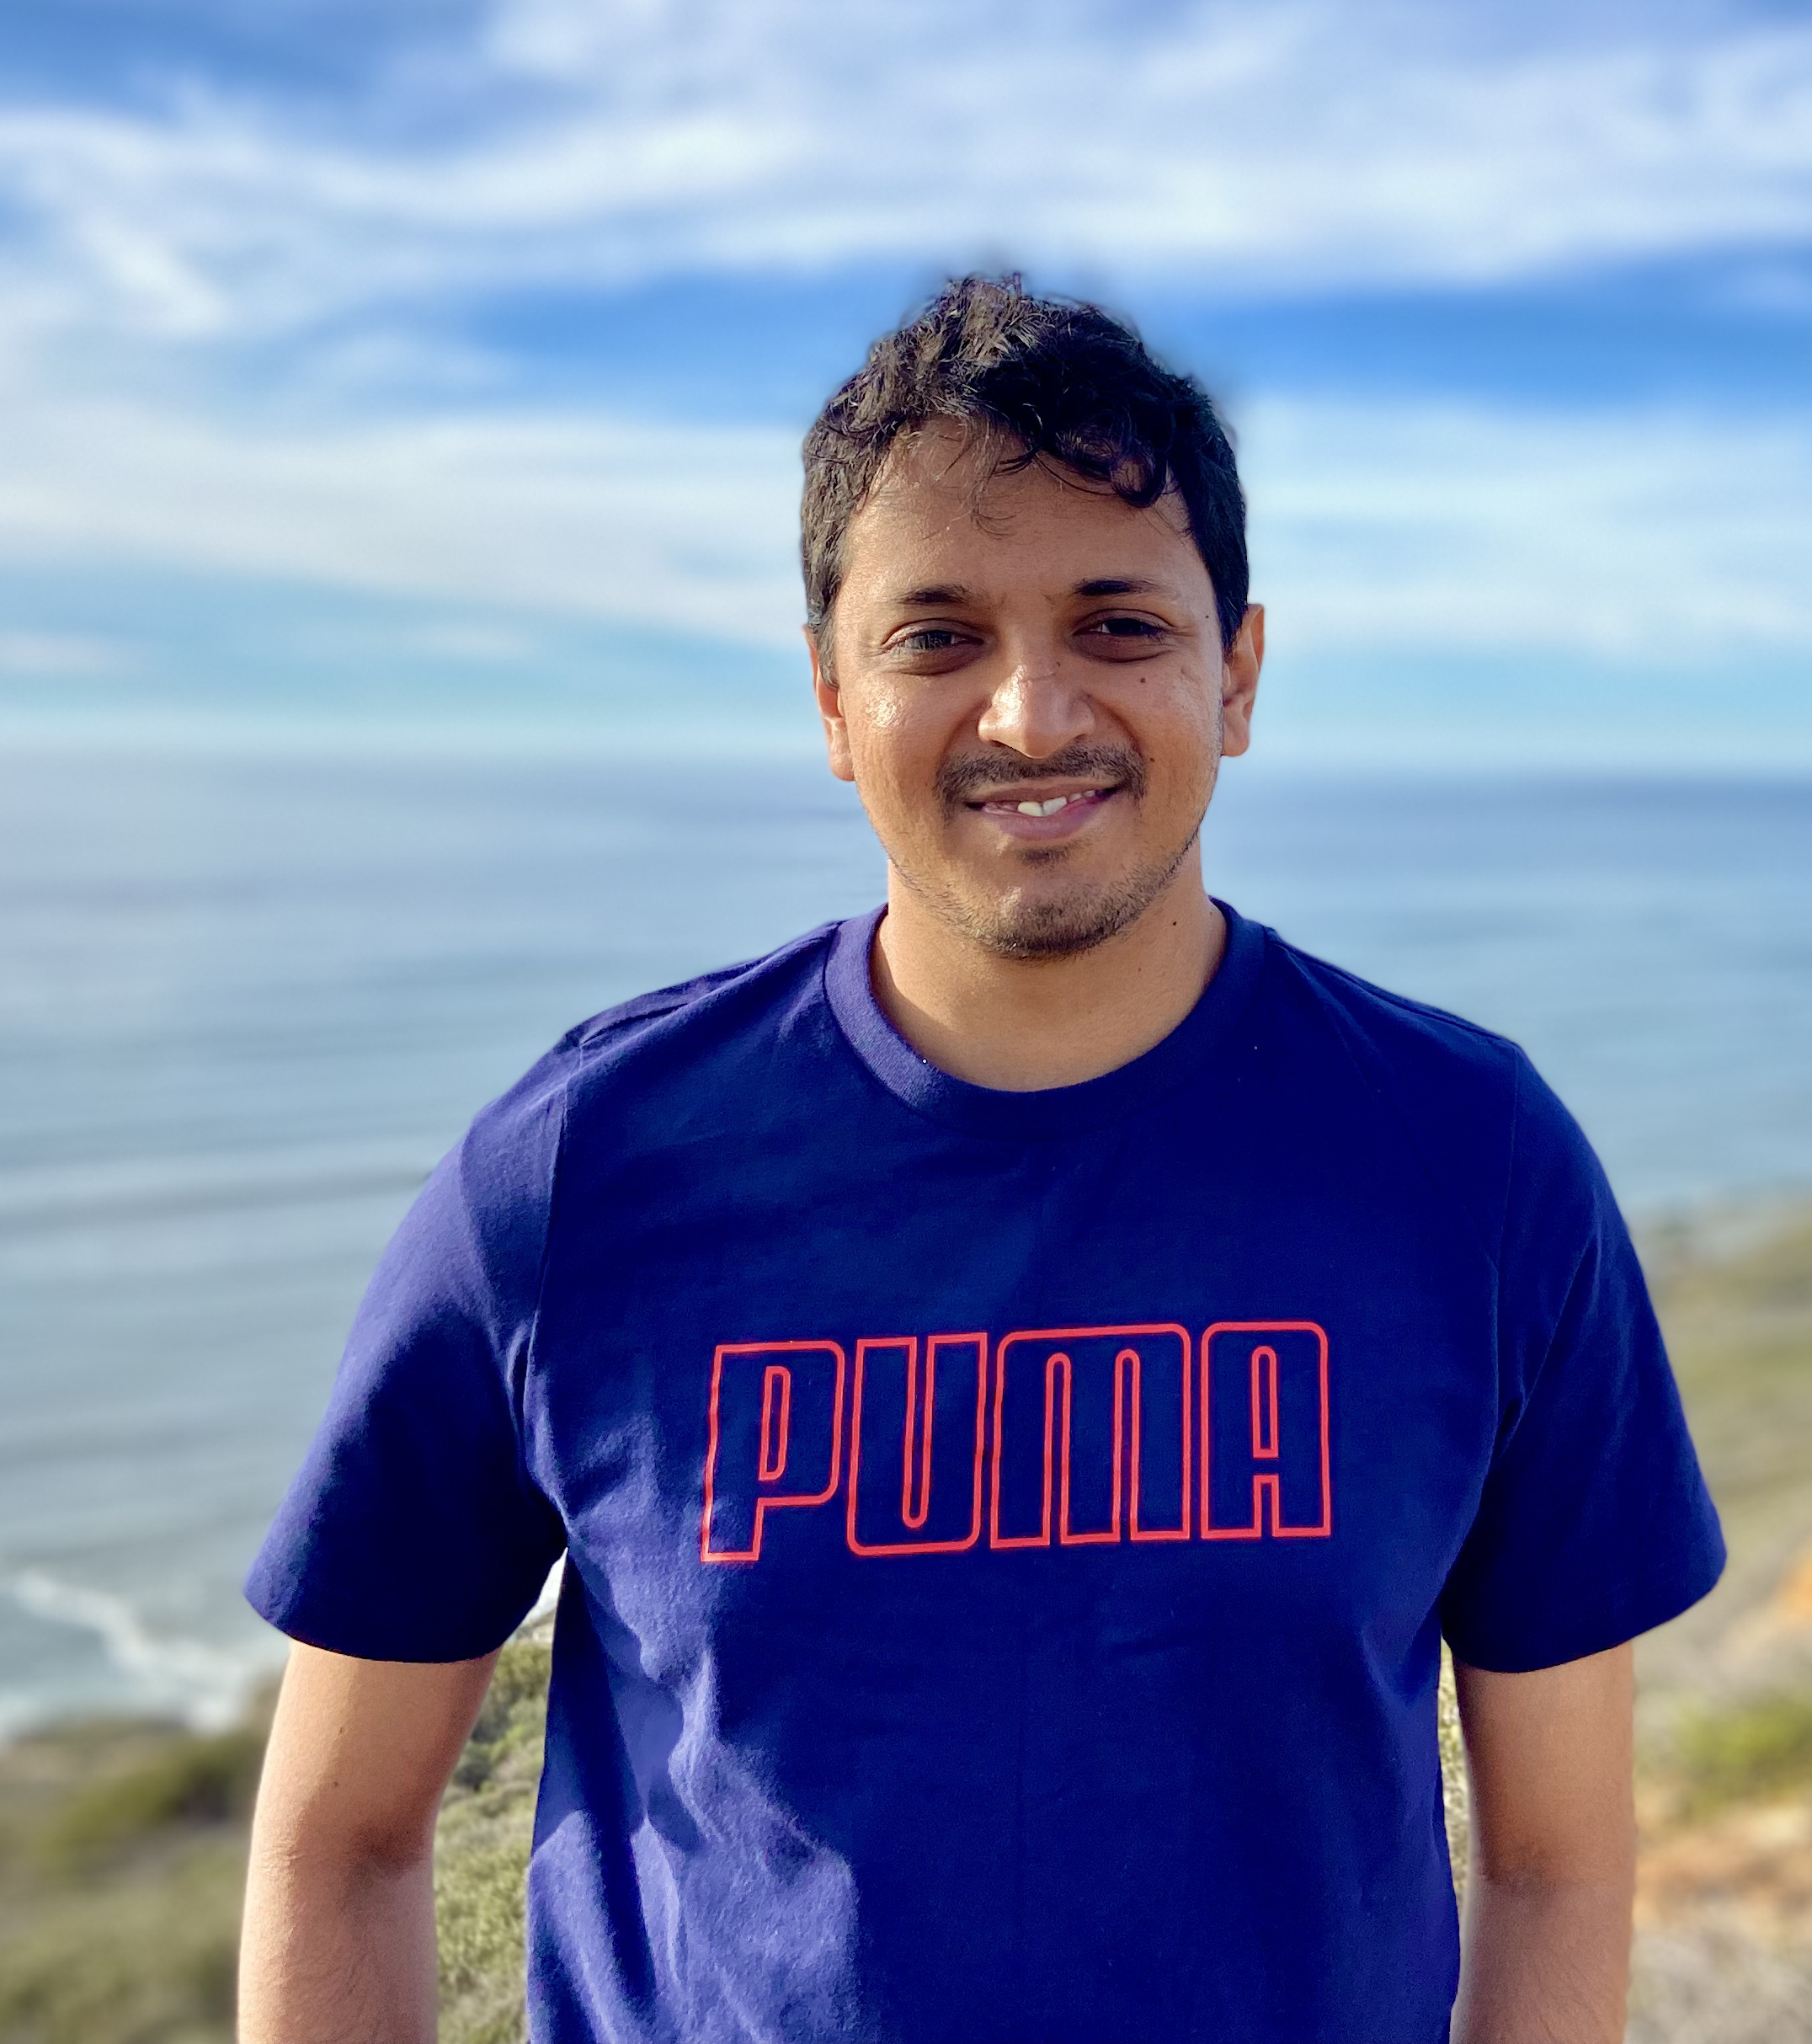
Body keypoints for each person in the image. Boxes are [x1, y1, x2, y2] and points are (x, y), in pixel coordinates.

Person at [236, 276, 1724, 2044]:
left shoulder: (1473, 1168)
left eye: (1118, 625)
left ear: (1235, 673)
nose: (1031, 713)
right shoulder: (577, 1175)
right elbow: (339, 1840)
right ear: (833, 703)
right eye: (937, 637)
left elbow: (1558, 1865)